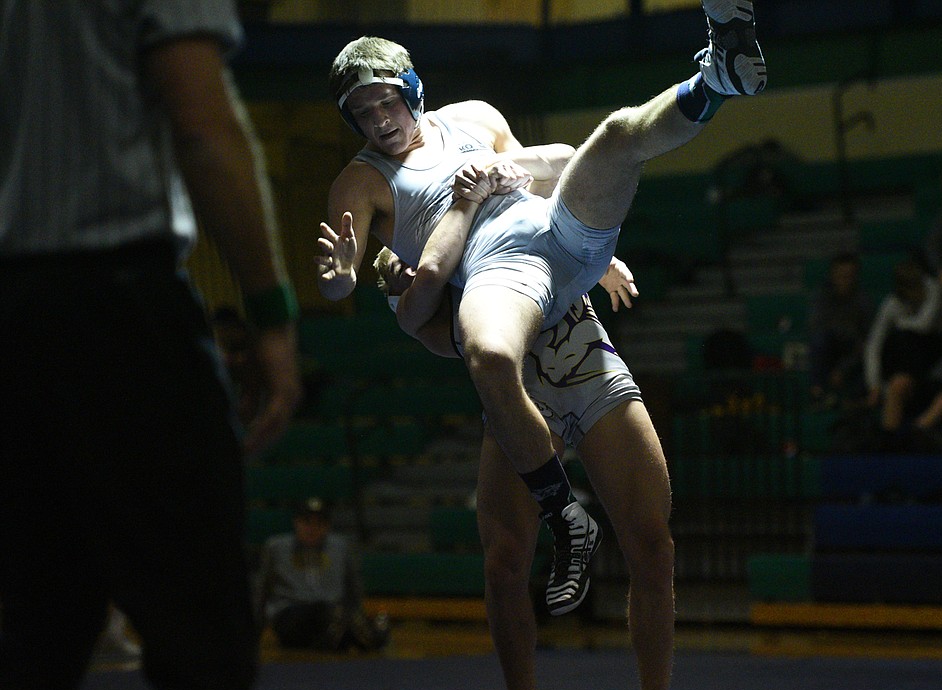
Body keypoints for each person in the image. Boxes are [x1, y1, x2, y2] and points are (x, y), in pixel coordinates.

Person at [313, 2, 766, 617]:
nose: (380, 121)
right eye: (362, 115)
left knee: (614, 137)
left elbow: (547, 176)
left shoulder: (474, 116)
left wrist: (600, 260)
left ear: (413, 90)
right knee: (490, 354)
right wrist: (339, 280)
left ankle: (718, 76)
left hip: (557, 233)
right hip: (503, 272)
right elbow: (354, 285)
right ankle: (563, 512)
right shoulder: (359, 182)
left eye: (386, 103)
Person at [0, 3, 303, 690]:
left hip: (14, 315)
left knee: (32, 633)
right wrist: (269, 309)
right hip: (116, 311)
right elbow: (201, 123)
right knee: (201, 641)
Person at [374, 247, 688, 690]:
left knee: (654, 546)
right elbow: (442, 339)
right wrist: (402, 287)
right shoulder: (423, 230)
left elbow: (568, 183)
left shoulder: (509, 178)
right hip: (519, 390)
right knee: (503, 561)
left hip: (587, 363)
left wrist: (600, 256)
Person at [255, 498, 387, 652]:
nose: (312, 528)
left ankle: (336, 637)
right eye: (307, 522)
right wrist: (256, 629)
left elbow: (353, 587)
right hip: (291, 613)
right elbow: (263, 589)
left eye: (319, 523)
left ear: (327, 526)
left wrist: (355, 611)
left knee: (332, 615)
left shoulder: (340, 547)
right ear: (296, 523)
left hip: (330, 611)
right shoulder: (277, 547)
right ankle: (350, 633)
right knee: (328, 614)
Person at [862, 260, 942, 448]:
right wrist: (874, 384)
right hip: (905, 365)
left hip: (936, 358)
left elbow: (925, 325)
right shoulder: (893, 303)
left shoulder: (933, 289)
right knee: (897, 383)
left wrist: (900, 324)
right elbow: (874, 344)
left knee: (905, 337)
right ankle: (889, 441)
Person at [807, 251, 874, 408]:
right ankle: (818, 394)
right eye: (841, 276)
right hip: (829, 350)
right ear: (832, 276)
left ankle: (853, 401)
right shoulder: (822, 297)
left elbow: (867, 340)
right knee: (819, 340)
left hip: (854, 354)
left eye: (850, 276)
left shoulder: (863, 300)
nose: (846, 281)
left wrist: (843, 369)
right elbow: (817, 327)